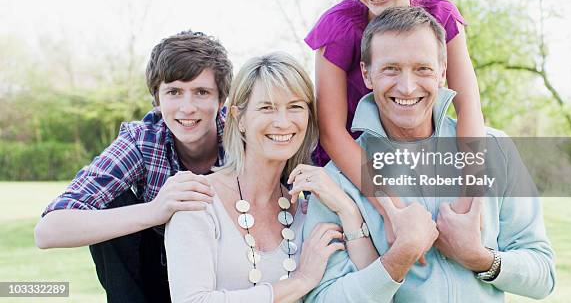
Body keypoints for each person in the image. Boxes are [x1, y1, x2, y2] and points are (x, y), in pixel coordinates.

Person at [302, 6, 556, 302]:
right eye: (390, 69)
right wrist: (399, 258)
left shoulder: (495, 149)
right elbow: (322, 298)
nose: (407, 87)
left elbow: (543, 276)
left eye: (422, 68)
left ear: (442, 73)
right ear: (366, 74)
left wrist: (479, 257)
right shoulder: (339, 180)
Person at [305, 0, 484, 216]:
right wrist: (392, 209)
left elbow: (468, 106)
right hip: (357, 168)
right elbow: (332, 131)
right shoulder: (338, 27)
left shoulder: (440, 16)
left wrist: (469, 202)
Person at [34, 31, 233, 303]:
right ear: (157, 99)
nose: (187, 108)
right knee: (110, 203)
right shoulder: (142, 140)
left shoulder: (243, 136)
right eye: (174, 92)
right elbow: (48, 230)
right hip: (155, 279)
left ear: (221, 100)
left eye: (201, 92)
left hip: (229, 274)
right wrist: (156, 210)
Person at [164, 52, 378, 303]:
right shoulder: (198, 200)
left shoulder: (307, 208)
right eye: (267, 108)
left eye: (295, 107)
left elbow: (372, 288)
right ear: (239, 118)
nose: (283, 122)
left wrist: (347, 209)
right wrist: (301, 280)